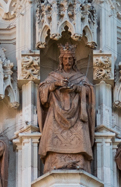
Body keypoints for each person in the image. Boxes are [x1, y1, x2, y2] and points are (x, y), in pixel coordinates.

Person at [38, 44, 95, 174]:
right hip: (55, 113)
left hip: (77, 115)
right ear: (61, 60)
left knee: (80, 137)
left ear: (74, 60)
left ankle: (79, 163)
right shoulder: (54, 76)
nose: (67, 61)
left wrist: (78, 88)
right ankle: (55, 163)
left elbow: (89, 91)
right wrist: (55, 85)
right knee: (52, 136)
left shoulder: (80, 77)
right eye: (65, 58)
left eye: (70, 59)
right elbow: (42, 91)